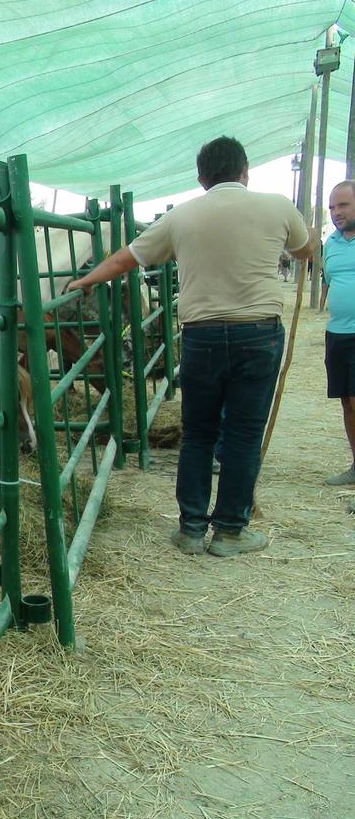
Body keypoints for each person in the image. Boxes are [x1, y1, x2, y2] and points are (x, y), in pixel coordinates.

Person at [68, 136, 313, 557]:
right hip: (258, 333)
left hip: (202, 336)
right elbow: (306, 249)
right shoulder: (277, 206)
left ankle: (192, 529)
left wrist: (85, 280)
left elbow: (126, 259)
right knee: (243, 433)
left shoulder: (181, 217)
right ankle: (231, 532)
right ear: (245, 170)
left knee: (199, 434)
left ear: (201, 178)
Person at [319, 181, 355, 485]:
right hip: (337, 334)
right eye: (332, 207)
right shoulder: (330, 244)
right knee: (346, 401)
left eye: (343, 205)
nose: (336, 212)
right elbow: (329, 281)